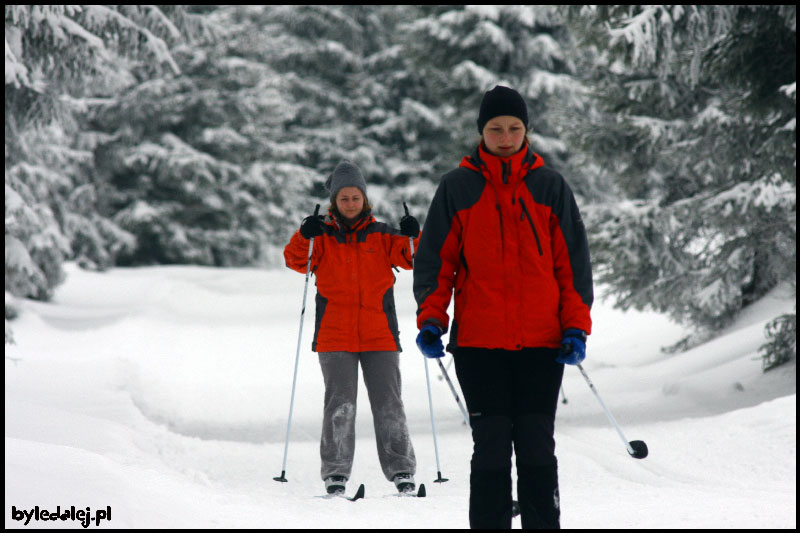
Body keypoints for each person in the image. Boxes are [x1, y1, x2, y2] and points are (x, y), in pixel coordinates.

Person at [413, 86, 593, 529]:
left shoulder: (549, 186)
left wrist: (575, 327)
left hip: (541, 344)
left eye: (514, 127)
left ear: (526, 131)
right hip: (479, 345)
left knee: (535, 443)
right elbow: (438, 263)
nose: (506, 136)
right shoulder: (457, 187)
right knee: (491, 443)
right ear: (482, 132)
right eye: (496, 128)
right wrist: (433, 320)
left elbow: (571, 264)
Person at [284, 160, 421, 496]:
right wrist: (304, 235)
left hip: (380, 334)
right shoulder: (322, 236)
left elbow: (412, 257)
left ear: (364, 199)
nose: (349, 203)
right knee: (340, 405)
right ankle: (335, 473)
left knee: (389, 403)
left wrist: (415, 233)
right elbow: (294, 260)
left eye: (355, 197)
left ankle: (401, 470)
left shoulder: (383, 233)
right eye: (343, 198)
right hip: (335, 335)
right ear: (334, 201)